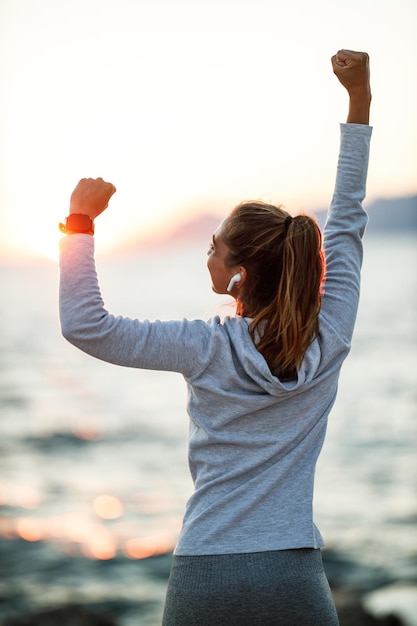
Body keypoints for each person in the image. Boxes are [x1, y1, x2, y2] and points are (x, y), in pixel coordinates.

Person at [59, 49, 372, 625]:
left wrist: (80, 222)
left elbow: (86, 326)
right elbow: (347, 218)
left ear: (238, 275)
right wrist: (360, 99)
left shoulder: (204, 346)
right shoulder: (329, 337)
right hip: (294, 576)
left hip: (208, 572)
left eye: (214, 248)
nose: (207, 256)